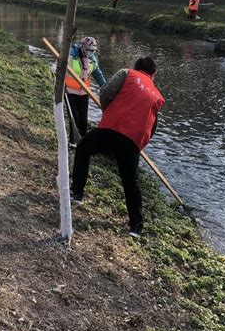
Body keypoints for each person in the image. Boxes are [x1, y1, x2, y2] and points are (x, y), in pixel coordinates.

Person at [71, 56, 165, 238]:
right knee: (131, 181)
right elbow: (152, 127)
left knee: (83, 148)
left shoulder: (127, 73)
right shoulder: (157, 95)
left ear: (136, 67)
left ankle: (77, 193)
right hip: (133, 140)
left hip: (112, 127)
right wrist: (138, 145)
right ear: (153, 74)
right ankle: (136, 227)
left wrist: (108, 111)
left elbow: (106, 92)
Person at [65, 36, 106, 147]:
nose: (91, 53)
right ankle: (73, 141)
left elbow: (98, 75)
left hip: (84, 93)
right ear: (83, 47)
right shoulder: (71, 55)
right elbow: (60, 68)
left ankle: (82, 141)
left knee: (83, 118)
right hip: (69, 91)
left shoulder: (93, 60)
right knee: (74, 116)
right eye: (89, 50)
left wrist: (105, 87)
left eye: (93, 51)